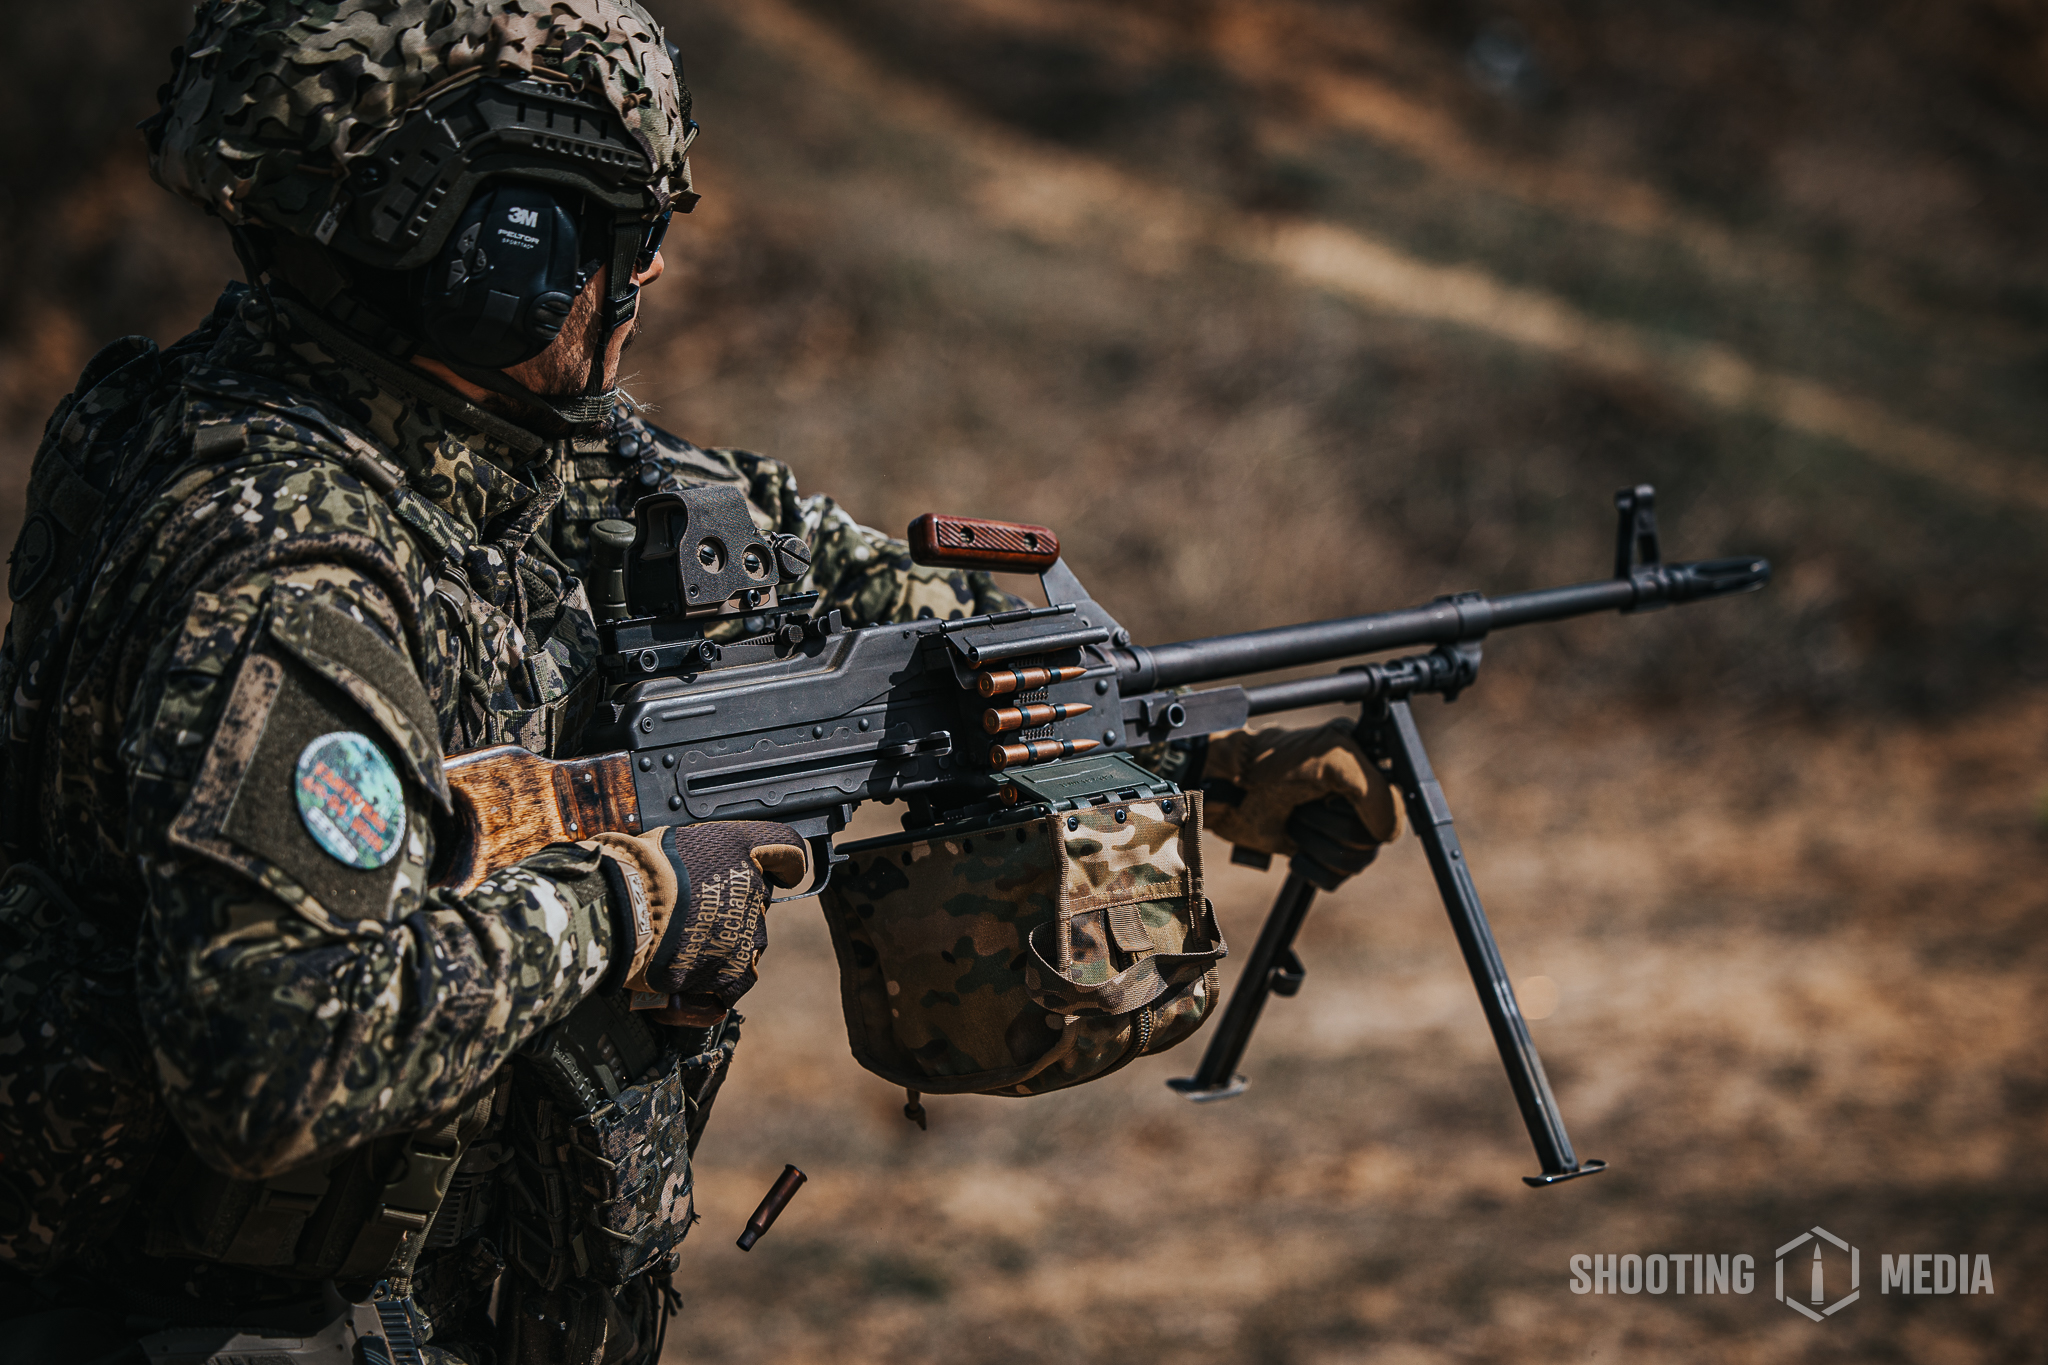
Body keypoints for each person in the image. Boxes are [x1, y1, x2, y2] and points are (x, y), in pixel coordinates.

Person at [0, 3, 1399, 1362]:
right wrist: (631, 900)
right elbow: (275, 1052)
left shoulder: (504, 456)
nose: (650, 275)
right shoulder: (283, 563)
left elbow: (912, 630)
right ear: (490, 242)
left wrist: (1199, 749)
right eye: (627, 228)